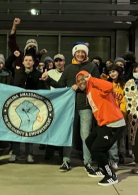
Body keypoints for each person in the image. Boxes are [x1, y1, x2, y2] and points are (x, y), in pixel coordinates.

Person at [41, 42, 100, 174]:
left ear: (86, 53)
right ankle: (66, 160)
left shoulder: (92, 67)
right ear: (74, 53)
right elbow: (60, 84)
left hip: (86, 105)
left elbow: (97, 84)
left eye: (83, 52)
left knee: (85, 135)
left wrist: (82, 85)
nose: (80, 54)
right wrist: (48, 79)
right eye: (78, 52)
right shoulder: (68, 68)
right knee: (67, 133)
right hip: (69, 106)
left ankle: (88, 162)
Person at [73, 71, 125, 186]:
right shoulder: (89, 91)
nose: (81, 81)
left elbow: (109, 86)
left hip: (114, 123)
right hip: (104, 124)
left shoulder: (95, 86)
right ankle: (102, 167)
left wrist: (92, 79)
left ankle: (110, 175)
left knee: (97, 149)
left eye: (83, 79)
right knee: (89, 141)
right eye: (79, 80)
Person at [6, 52, 47, 163]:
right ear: (23, 62)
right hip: (18, 105)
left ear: (33, 62)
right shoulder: (17, 72)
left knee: (29, 129)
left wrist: (43, 80)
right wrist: (13, 56)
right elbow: (7, 64)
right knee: (16, 129)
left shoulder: (38, 74)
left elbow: (42, 90)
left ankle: (30, 153)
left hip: (31, 106)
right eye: (26, 60)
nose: (28, 62)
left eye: (30, 60)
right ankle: (15, 153)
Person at [105, 64, 128, 167]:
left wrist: (122, 113)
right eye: (110, 72)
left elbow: (125, 100)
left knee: (121, 137)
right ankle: (113, 159)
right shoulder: (107, 84)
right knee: (112, 138)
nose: (112, 74)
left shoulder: (124, 85)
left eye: (114, 71)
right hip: (110, 115)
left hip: (121, 114)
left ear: (119, 72)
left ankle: (121, 155)